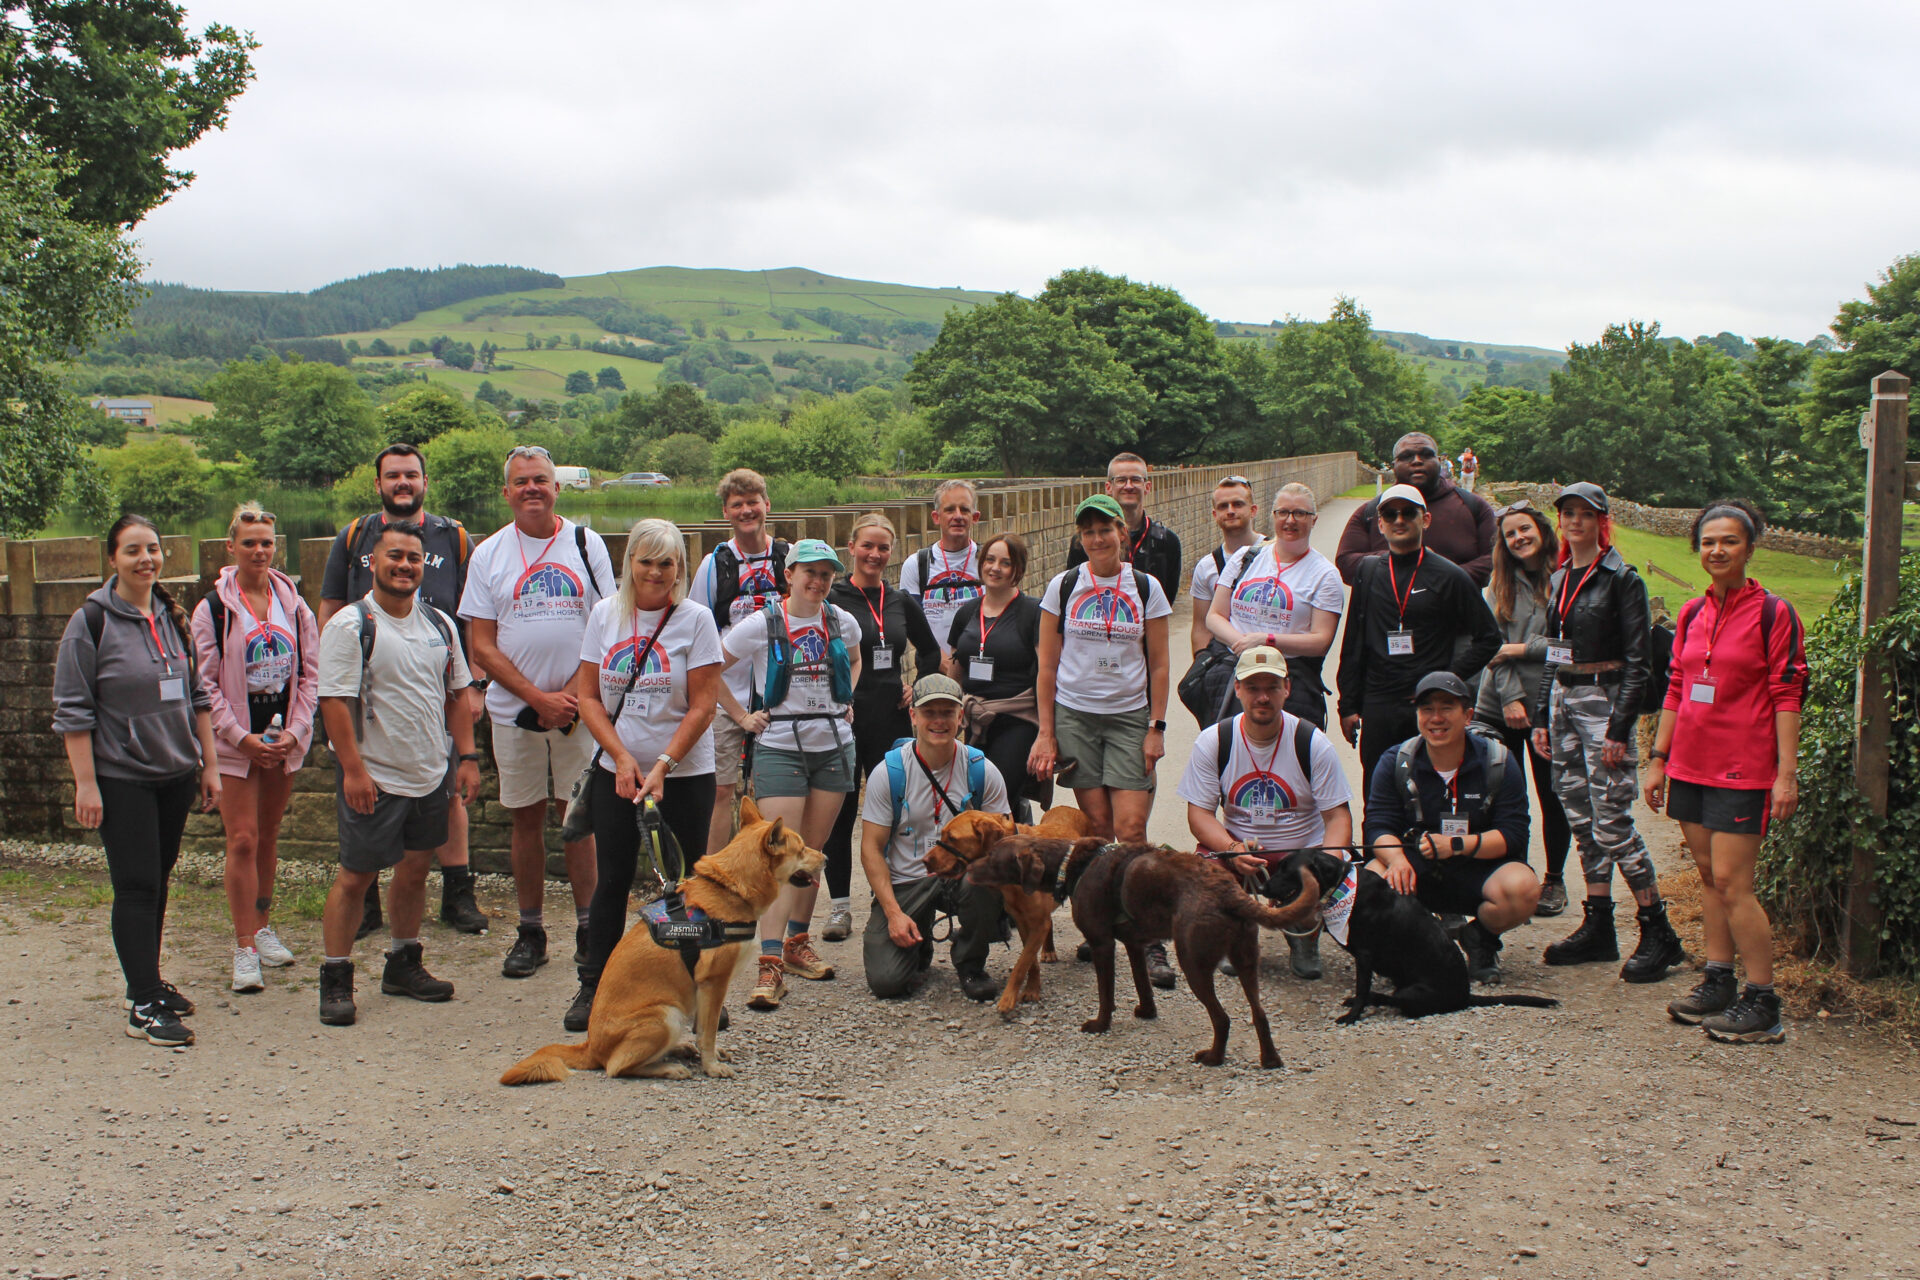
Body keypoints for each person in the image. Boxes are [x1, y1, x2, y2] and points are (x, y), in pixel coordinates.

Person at [54, 514, 222, 1048]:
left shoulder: (171, 617)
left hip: (174, 771)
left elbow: (197, 697)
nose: (145, 558)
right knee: (136, 884)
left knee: (159, 878)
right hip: (121, 775)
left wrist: (208, 764)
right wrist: (86, 785)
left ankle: (143, 982)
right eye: (132, 550)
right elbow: (73, 711)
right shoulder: (91, 622)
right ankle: (144, 1006)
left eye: (152, 548)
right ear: (113, 559)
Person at [1646, 500, 1807, 1043]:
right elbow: (1676, 686)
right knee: (1710, 878)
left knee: (1736, 884)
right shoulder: (1693, 613)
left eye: (1729, 541)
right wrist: (1659, 759)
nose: (1717, 550)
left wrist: (1786, 774)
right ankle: (1717, 979)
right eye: (1709, 541)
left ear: (1749, 547)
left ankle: (1763, 1001)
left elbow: (1787, 694)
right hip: (1691, 764)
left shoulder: (1772, 613)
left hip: (1745, 769)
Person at [315, 522, 481, 1026]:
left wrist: (467, 758)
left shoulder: (440, 625)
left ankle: (403, 963)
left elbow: (457, 696)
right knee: (355, 876)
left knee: (414, 870)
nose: (404, 565)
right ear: (373, 562)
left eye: (413, 557)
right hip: (376, 777)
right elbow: (335, 703)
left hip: (431, 773)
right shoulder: (350, 625)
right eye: (394, 556)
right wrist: (353, 771)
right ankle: (336, 975)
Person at [459, 444, 614, 979]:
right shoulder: (488, 554)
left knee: (580, 819)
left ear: (555, 488)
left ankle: (590, 927)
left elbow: (607, 627)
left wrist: (569, 696)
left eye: (541, 480)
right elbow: (480, 643)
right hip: (514, 711)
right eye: (521, 481)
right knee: (524, 817)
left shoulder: (585, 543)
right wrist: (536, 698)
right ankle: (531, 930)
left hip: (579, 709)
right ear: (507, 492)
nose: (532, 489)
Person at [320, 443, 486, 937]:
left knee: (434, 825)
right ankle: (346, 953)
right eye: (392, 475)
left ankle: (442, 912)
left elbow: (473, 615)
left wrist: (473, 685)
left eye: (411, 475)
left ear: (424, 481)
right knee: (361, 853)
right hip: (369, 705)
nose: (402, 483)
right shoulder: (352, 539)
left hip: (435, 692)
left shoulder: (453, 538)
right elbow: (329, 610)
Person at [568, 518, 725, 1032]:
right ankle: (595, 985)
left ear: (679, 567)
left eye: (666, 562)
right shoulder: (604, 616)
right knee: (612, 878)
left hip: (683, 772)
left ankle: (697, 989)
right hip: (620, 772)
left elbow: (702, 705)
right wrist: (623, 757)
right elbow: (589, 697)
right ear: (628, 562)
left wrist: (663, 764)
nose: (655, 573)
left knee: (685, 885)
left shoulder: (696, 619)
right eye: (646, 561)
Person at [1530, 482, 1681, 982]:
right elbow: (1554, 648)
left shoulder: (1621, 579)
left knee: (1612, 819)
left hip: (1604, 697)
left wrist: (1620, 727)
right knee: (1578, 814)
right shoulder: (1561, 576)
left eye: (1584, 514)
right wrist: (1540, 714)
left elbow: (1641, 662)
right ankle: (1598, 924)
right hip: (1564, 698)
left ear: (1601, 520)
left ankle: (1657, 928)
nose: (1574, 522)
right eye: (1567, 514)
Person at [1032, 495, 1175, 985]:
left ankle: (1149, 934)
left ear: (1122, 533)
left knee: (1132, 829)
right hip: (1077, 718)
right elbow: (1047, 664)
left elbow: (1159, 662)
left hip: (1129, 717)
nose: (1097, 539)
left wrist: (1157, 727)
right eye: (1088, 531)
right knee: (1098, 829)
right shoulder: (1065, 585)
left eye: (1105, 530)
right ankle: (1109, 927)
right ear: (1081, 538)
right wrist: (1046, 732)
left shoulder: (1145, 587)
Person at [720, 538, 865, 1011]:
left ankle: (796, 944)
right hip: (780, 746)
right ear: (790, 574)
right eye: (810, 572)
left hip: (832, 747)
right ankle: (769, 964)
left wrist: (847, 704)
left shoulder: (840, 621)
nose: (818, 582)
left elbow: (857, 658)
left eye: (826, 574)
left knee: (811, 857)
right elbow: (711, 668)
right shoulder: (762, 624)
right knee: (780, 859)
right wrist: (743, 717)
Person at [191, 503, 320, 994]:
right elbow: (204, 686)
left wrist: (296, 729)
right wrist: (240, 738)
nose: (260, 550)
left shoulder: (293, 602)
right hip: (235, 742)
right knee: (241, 839)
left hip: (280, 738)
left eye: (267, 542)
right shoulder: (215, 609)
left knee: (268, 836)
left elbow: (310, 673)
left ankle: (263, 927)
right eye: (249, 543)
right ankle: (243, 946)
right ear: (231, 548)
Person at [1181, 648, 1352, 979]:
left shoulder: (1312, 742)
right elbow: (1199, 815)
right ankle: (1235, 934)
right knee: (1204, 873)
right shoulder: (1214, 741)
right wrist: (1231, 850)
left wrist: (1329, 864)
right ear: (1238, 690)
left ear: (1287, 689)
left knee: (1316, 867)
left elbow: (1338, 818)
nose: (1263, 697)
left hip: (1300, 850)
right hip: (1241, 849)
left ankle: (1305, 933)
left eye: (1272, 687)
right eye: (1253, 687)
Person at [1365, 673, 1541, 983]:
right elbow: (1378, 825)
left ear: (1468, 715)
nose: (1436, 718)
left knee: (1524, 888)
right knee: (1373, 880)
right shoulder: (1396, 761)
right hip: (1417, 867)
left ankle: (1480, 939)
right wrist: (1396, 861)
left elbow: (1514, 834)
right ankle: (1417, 947)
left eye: (1447, 708)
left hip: (1479, 867)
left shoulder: (1498, 760)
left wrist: (1457, 845)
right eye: (1426, 709)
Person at [1336, 483, 1502, 802]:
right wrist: (1348, 705)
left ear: (1425, 520)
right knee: (1378, 789)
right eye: (1390, 513)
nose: (1399, 520)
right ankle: (1380, 851)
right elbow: (1354, 641)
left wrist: (1447, 679)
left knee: (1429, 790)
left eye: (1408, 513)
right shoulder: (1368, 571)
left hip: (1427, 705)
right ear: (1380, 523)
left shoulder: (1449, 575)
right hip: (1380, 703)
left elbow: (1488, 637)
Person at [821, 513, 941, 942]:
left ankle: (894, 898)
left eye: (883, 548)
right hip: (846, 721)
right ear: (850, 548)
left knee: (898, 814)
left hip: (890, 720)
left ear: (892, 553)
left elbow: (930, 650)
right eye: (867, 546)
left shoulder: (901, 600)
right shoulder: (832, 598)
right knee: (840, 813)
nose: (875, 554)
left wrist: (919, 689)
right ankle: (838, 908)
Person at [861, 675, 1013, 1001]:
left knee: (984, 878)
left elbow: (1005, 838)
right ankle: (919, 941)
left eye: (948, 712)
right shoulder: (888, 773)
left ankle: (971, 962)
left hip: (961, 878)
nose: (939, 721)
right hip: (907, 880)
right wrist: (892, 913)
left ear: (961, 717)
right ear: (913, 716)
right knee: (887, 983)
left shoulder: (981, 770)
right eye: (930, 712)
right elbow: (872, 849)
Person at [1474, 501, 1574, 917]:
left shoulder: (1568, 582)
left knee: (1552, 795)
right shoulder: (1496, 587)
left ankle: (1554, 878)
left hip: (1550, 707)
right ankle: (1514, 870)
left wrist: (1521, 648)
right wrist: (1513, 697)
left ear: (1542, 530)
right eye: (1511, 534)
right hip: (1499, 706)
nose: (1519, 539)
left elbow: (1570, 649)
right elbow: (1491, 650)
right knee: (1503, 798)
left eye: (1525, 529)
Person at [687, 468, 789, 855]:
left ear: (766, 505)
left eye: (753, 502)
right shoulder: (715, 564)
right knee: (721, 791)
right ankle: (715, 875)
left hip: (778, 693)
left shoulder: (787, 556)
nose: (747, 510)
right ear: (726, 512)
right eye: (737, 505)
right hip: (725, 694)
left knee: (773, 790)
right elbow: (699, 638)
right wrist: (729, 706)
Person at [1205, 482, 1345, 729]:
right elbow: (1215, 615)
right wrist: (1244, 647)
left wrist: (1266, 641)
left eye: (1300, 513)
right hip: (1236, 670)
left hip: (1288, 678)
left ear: (1314, 520)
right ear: (1273, 516)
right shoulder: (1245, 557)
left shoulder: (1325, 575)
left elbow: (1321, 640)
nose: (1290, 520)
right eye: (1283, 512)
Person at [944, 532, 1050, 822]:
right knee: (974, 798)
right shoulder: (966, 613)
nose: (995, 568)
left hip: (1017, 720)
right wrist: (948, 714)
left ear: (1018, 569)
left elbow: (1047, 673)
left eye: (1005, 562)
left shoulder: (1033, 612)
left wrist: (1048, 734)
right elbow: (956, 669)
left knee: (996, 800)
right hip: (974, 719)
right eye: (990, 559)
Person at [1336, 432, 1497, 586]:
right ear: (1394, 465)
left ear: (1439, 460)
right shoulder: (1372, 511)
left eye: (1426, 455)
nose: (1417, 461)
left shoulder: (1474, 506)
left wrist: (1445, 577)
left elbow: (1495, 558)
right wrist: (1400, 561)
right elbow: (1346, 562)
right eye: (1406, 456)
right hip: (1389, 611)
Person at [1065, 452, 1183, 605]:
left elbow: (1166, 601)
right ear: (1109, 487)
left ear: (1147, 487)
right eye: (1121, 480)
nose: (1128, 486)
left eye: (1135, 480)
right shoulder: (1085, 541)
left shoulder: (1166, 541)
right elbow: (1072, 592)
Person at [898, 479, 983, 658]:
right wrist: (943, 662)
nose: (957, 516)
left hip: (979, 668)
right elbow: (915, 628)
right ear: (936, 517)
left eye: (965, 509)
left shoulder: (988, 562)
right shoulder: (916, 564)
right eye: (950, 509)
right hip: (933, 670)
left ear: (975, 517)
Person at [1189, 475, 1260, 656]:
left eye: (1238, 504)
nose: (1230, 511)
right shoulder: (1206, 567)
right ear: (1215, 515)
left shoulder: (1273, 554)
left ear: (1253, 510)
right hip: (1224, 662)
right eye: (1223, 506)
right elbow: (1201, 627)